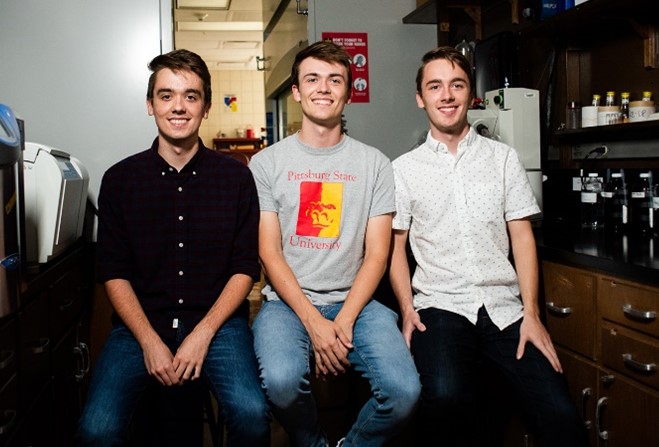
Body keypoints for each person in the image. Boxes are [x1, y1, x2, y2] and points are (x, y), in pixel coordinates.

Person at [388, 46, 587, 447]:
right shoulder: (403, 169)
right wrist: (407, 309)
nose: (447, 95)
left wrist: (531, 314)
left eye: (456, 85)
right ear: (420, 98)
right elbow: (395, 248)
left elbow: (522, 236)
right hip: (440, 305)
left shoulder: (503, 158)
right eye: (435, 86)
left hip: (504, 306)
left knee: (559, 410)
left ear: (469, 95)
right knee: (443, 398)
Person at [76, 49, 270, 447]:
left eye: (190, 96)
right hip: (139, 327)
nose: (178, 107)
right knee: (96, 430)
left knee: (252, 416)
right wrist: (150, 341)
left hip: (218, 326)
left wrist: (201, 335)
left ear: (206, 107)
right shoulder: (120, 180)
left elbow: (244, 267)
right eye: (166, 95)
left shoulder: (236, 177)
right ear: (150, 106)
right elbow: (113, 271)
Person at [248, 40, 421, 447]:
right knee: (282, 382)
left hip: (356, 304)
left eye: (334, 80)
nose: (323, 88)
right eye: (312, 79)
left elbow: (378, 254)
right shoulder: (266, 164)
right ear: (296, 91)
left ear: (348, 92)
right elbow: (269, 253)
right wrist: (314, 322)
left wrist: (341, 322)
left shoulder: (374, 163)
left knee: (403, 392)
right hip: (287, 304)